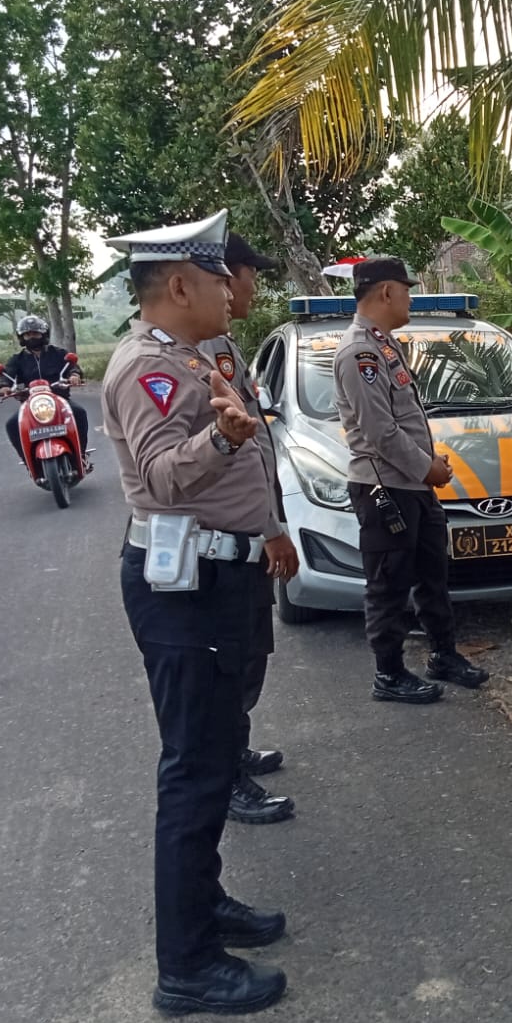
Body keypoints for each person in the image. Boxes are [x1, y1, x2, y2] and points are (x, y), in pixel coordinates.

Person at [102, 210, 301, 1017]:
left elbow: (243, 461)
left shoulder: (188, 359)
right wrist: (221, 441)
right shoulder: (146, 370)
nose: (232, 290)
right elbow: (157, 478)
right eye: (221, 278)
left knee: (215, 760)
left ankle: (205, 906)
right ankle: (185, 967)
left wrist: (267, 522)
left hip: (217, 578)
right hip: (184, 590)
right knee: (192, 774)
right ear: (179, 284)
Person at [332, 257, 488, 704]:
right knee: (389, 583)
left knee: (433, 575)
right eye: (406, 290)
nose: (409, 298)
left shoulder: (384, 345)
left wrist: (425, 464)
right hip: (386, 487)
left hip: (413, 486)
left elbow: (403, 421)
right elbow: (380, 432)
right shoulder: (359, 353)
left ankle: (443, 655)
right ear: (385, 292)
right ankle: (390, 675)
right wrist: (427, 467)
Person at [198, 232, 296, 827]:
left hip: (248, 532)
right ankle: (226, 775)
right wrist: (270, 528)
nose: (255, 285)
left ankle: (234, 750)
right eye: (248, 274)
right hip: (224, 541)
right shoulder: (201, 350)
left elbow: (255, 441)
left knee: (250, 652)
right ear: (222, 278)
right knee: (230, 661)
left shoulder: (224, 345)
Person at [0, 315, 89, 462]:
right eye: (27, 334)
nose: (31, 337)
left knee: (79, 413)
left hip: (59, 399)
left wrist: (74, 375)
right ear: (22, 337)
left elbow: (72, 367)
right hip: (30, 403)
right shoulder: (17, 359)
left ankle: (81, 455)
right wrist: (4, 386)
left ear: (43, 334)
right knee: (12, 424)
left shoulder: (58, 353)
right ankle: (28, 460)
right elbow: (7, 375)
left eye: (35, 333)